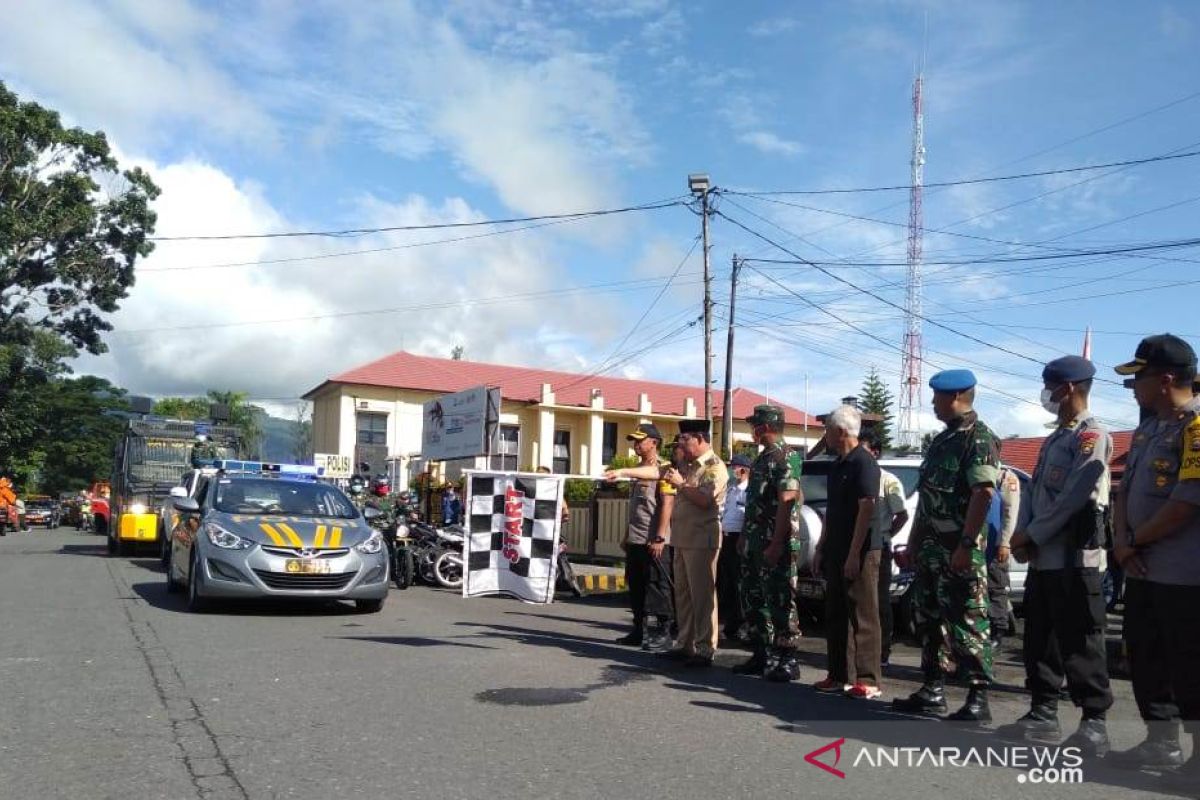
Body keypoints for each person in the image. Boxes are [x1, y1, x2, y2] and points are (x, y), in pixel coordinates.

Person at [1003, 355, 1113, 757]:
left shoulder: (1092, 436)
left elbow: (1075, 496)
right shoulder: (1056, 436)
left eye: (1049, 386)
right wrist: (1026, 536)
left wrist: (1033, 532)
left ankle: (1094, 724)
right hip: (1044, 558)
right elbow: (1035, 493)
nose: (1045, 393)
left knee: (1081, 641)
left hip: (1074, 558)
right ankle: (1042, 712)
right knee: (1040, 639)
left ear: (1067, 388)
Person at [1109, 334, 1200, 781]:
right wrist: (1122, 541)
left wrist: (1134, 541)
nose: (1132, 388)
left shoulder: (1197, 425)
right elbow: (1124, 491)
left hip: (1184, 573)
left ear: (1165, 380)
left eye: (1138, 379)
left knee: (1190, 665)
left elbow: (1187, 501)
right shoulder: (1149, 428)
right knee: (1146, 658)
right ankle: (1160, 742)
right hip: (1142, 567)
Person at [893, 369, 999, 723]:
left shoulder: (979, 439)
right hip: (931, 548)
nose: (934, 403)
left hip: (960, 547)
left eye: (937, 397)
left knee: (968, 620)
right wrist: (912, 544)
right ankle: (932, 688)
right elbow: (926, 500)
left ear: (954, 397)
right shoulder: (941, 442)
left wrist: (967, 545)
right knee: (929, 617)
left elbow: (983, 494)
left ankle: (977, 696)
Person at [814, 405, 883, 699]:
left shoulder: (863, 463)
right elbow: (832, 510)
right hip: (837, 548)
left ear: (841, 431)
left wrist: (855, 553)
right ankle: (838, 674)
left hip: (862, 550)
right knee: (836, 612)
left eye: (827, 429)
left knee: (863, 614)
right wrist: (821, 546)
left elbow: (866, 507)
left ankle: (867, 680)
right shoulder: (838, 464)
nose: (825, 435)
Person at [735, 405, 804, 682]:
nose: (752, 431)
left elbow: (787, 504)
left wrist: (776, 544)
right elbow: (753, 504)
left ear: (764, 428)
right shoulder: (763, 459)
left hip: (776, 542)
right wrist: (743, 536)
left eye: (754, 426)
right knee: (754, 597)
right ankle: (762, 653)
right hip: (755, 540)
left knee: (780, 598)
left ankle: (788, 658)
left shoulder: (787, 458)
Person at [661, 419, 727, 668]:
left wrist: (681, 484)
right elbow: (657, 471)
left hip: (702, 539)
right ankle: (684, 644)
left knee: (702, 596)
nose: (681, 445)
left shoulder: (714, 466)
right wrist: (622, 472)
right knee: (684, 595)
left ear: (700, 438)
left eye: (685, 439)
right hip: (682, 538)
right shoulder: (687, 465)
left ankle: (705, 647)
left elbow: (705, 500)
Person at [604, 424, 675, 652]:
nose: (636, 445)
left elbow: (667, 505)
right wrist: (627, 535)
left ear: (654, 442)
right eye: (634, 440)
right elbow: (637, 509)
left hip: (653, 539)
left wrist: (660, 537)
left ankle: (662, 632)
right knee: (636, 586)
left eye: (640, 440)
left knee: (657, 586)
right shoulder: (637, 470)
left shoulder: (665, 469)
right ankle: (639, 629)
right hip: (636, 538)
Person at [862, 431, 908, 666]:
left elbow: (902, 514)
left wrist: (886, 534)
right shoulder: (855, 477)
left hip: (879, 548)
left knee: (879, 601)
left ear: (876, 453)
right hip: (858, 548)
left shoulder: (888, 480)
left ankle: (883, 652)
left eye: (865, 448)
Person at [986, 462, 1021, 650]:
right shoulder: (976, 472)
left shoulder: (1006, 477)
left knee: (996, 587)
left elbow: (1010, 512)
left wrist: (1005, 542)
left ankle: (998, 630)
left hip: (995, 543)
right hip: (978, 544)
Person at [718, 454, 752, 642]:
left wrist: (743, 539)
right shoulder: (731, 490)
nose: (733, 471)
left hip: (740, 539)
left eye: (736, 467)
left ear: (744, 470)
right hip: (727, 538)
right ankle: (731, 625)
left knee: (740, 585)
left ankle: (743, 625)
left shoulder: (748, 491)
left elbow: (747, 517)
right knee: (729, 584)